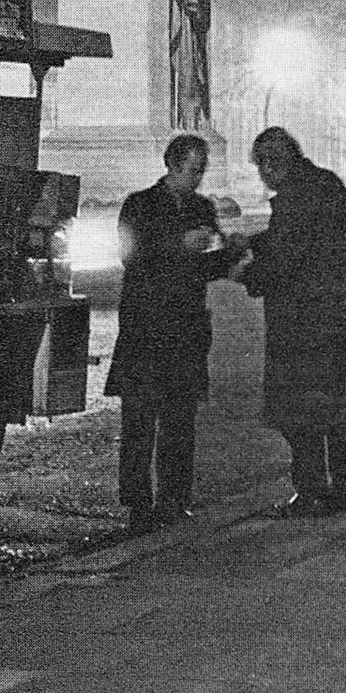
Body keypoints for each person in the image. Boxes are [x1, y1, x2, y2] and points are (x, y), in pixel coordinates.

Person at [231, 127, 346, 517]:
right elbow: (295, 238)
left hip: (306, 325)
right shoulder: (324, 184)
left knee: (300, 414)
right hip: (340, 322)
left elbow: (288, 257)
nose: (263, 177)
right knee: (338, 414)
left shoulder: (297, 197)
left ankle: (311, 491)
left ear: (273, 164)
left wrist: (245, 273)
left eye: (263, 168)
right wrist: (255, 242)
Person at [104, 133, 235, 532]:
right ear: (172, 165)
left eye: (202, 171)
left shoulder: (199, 208)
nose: (198, 179)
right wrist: (181, 244)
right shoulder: (140, 205)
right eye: (193, 170)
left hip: (185, 327)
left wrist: (231, 256)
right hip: (146, 326)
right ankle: (138, 502)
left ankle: (175, 499)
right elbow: (132, 255)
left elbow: (206, 265)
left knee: (180, 419)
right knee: (140, 419)